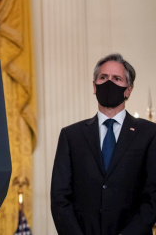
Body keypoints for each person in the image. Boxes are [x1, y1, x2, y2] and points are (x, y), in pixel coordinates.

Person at [51, 54, 156, 234]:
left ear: (128, 89)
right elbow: (60, 198)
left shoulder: (149, 133)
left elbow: (153, 197)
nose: (109, 83)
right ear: (94, 86)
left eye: (117, 79)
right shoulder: (71, 136)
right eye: (103, 77)